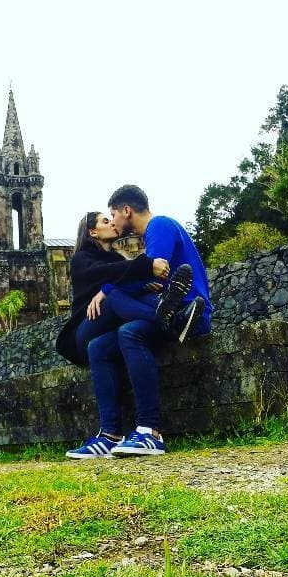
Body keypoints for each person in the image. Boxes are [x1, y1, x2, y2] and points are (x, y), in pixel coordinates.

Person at [65, 185, 213, 459]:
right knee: (98, 347)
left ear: (126, 211)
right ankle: (109, 435)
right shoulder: (90, 257)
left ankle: (150, 431)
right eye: (105, 219)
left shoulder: (159, 226)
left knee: (129, 332)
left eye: (113, 215)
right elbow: (142, 276)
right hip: (164, 313)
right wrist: (113, 288)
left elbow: (154, 273)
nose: (114, 222)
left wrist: (108, 291)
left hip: (190, 313)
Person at [55, 212, 170, 367]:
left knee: (100, 346)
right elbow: (105, 272)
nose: (112, 223)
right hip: (85, 328)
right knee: (113, 294)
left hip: (107, 330)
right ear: (93, 232)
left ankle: (173, 309)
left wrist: (142, 285)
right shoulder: (81, 259)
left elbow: (121, 277)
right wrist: (146, 266)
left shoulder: (118, 259)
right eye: (105, 221)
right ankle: (169, 320)